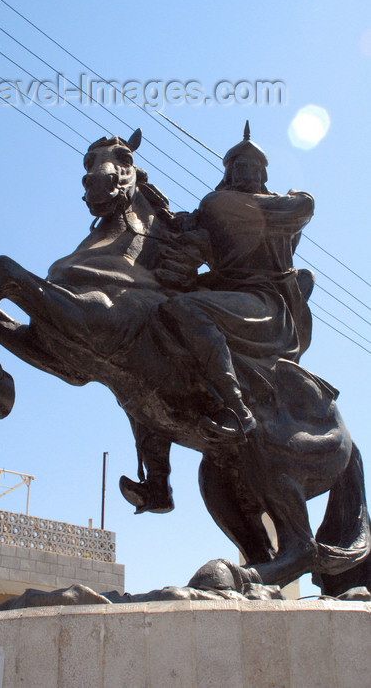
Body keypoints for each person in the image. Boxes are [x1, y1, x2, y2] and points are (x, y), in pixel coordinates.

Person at [120, 121, 315, 513]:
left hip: (263, 305)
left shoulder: (262, 205)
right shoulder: (217, 209)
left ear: (263, 172)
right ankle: (158, 482)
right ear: (228, 170)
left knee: (185, 309)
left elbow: (300, 208)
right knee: (147, 350)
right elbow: (179, 226)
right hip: (227, 295)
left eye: (253, 168)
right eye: (238, 167)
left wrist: (223, 210)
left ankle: (238, 412)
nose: (246, 174)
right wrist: (142, 187)